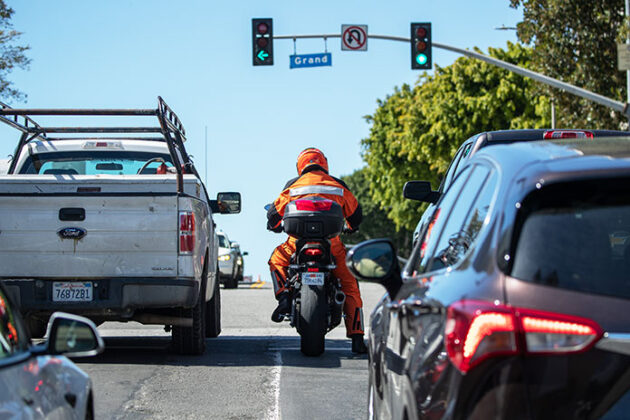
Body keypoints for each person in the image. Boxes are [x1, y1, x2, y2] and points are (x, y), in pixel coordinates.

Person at [267, 147, 367, 354]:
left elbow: (274, 215)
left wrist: (275, 225)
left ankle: (283, 296)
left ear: (300, 166)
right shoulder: (337, 185)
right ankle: (357, 337)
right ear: (324, 164)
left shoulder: (293, 185)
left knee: (277, 259)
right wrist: (352, 226)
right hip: (332, 244)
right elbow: (356, 215)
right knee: (349, 284)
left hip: (296, 242)